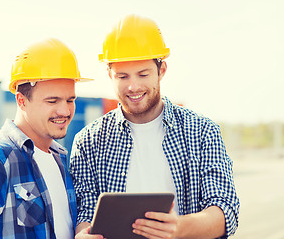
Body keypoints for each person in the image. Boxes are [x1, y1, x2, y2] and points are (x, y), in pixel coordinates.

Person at [70, 15, 240, 239]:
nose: (133, 86)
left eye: (143, 74)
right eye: (122, 76)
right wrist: (83, 234)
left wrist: (178, 228)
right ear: (109, 74)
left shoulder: (202, 131)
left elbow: (225, 211)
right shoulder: (88, 141)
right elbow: (86, 212)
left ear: (162, 70)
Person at [0, 38, 92, 238]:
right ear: (21, 100)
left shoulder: (61, 157)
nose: (64, 110)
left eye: (70, 100)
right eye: (52, 101)